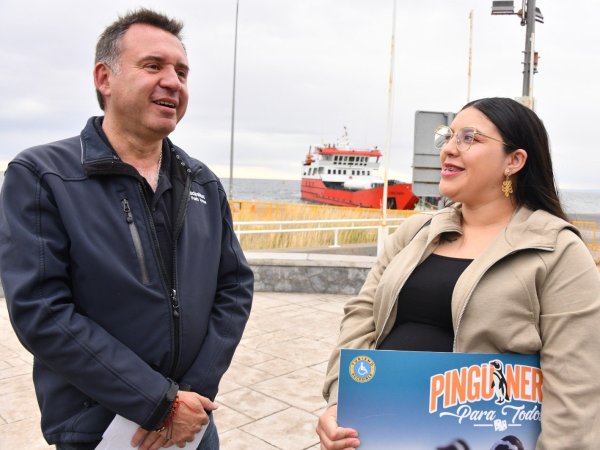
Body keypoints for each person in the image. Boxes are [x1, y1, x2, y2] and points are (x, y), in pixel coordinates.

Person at [0, 8, 253, 450]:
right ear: (105, 78)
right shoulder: (43, 175)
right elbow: (42, 310)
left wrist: (190, 397)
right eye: (153, 66)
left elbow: (234, 287)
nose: (173, 82)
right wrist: (158, 403)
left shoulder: (202, 182)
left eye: (182, 72)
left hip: (192, 423)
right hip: (98, 430)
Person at [316, 97, 600, 449]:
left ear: (514, 161)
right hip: (380, 433)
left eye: (469, 138)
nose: (449, 148)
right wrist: (340, 402)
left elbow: (575, 388)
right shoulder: (416, 232)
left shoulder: (557, 250)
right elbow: (361, 316)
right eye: (448, 136)